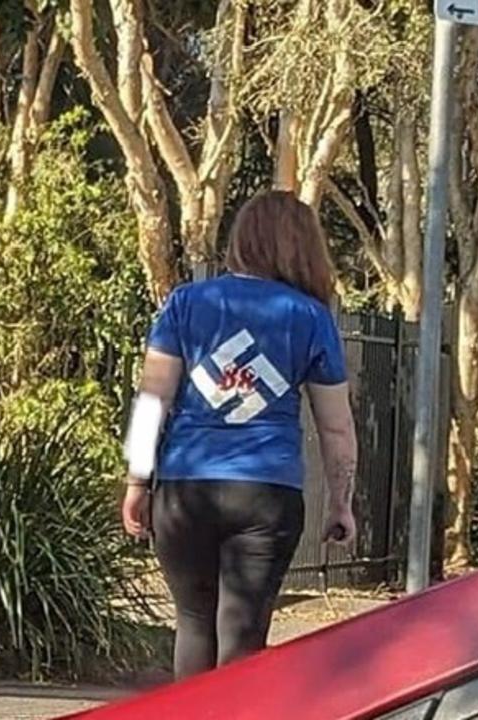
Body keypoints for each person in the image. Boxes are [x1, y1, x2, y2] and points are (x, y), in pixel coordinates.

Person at [120, 190, 359, 680]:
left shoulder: (186, 303)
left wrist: (137, 483)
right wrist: (341, 503)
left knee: (192, 623)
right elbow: (336, 426)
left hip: (185, 487)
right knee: (244, 635)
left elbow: (152, 401)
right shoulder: (311, 318)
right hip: (267, 493)